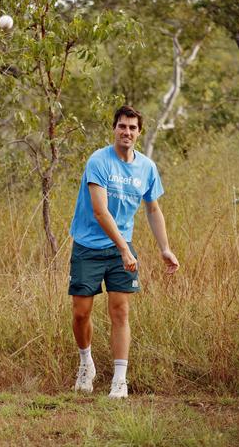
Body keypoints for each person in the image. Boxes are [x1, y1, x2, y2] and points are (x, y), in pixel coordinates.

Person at [68, 105, 180, 399]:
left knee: (120, 310)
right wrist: (124, 250)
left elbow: (153, 208)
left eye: (132, 127)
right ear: (114, 129)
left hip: (122, 248)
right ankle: (86, 364)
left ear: (139, 132)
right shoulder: (99, 161)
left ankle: (120, 380)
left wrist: (165, 248)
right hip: (89, 245)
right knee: (81, 313)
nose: (126, 132)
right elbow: (100, 211)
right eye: (122, 126)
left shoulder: (147, 167)